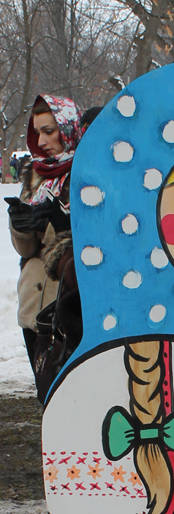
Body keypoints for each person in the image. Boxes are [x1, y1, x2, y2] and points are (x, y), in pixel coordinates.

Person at [6, 94, 81, 372]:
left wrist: (63, 224)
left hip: (70, 304)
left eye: (49, 131)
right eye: (37, 132)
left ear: (68, 128)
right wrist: (20, 225)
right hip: (33, 307)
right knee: (45, 391)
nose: (41, 142)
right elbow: (26, 250)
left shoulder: (88, 170)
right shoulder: (34, 174)